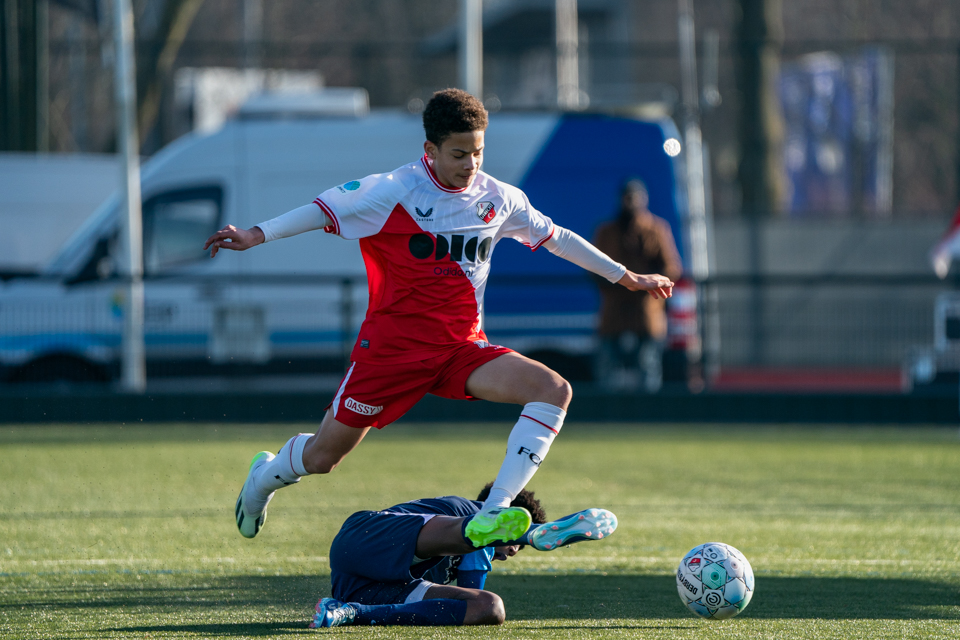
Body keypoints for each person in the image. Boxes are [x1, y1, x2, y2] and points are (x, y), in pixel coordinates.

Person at [203, 88, 673, 545]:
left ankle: (494, 511)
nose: (471, 164)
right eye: (458, 154)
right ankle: (263, 479)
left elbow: (558, 237)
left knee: (553, 390)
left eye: (478, 152)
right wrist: (255, 235)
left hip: (460, 349)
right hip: (391, 354)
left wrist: (626, 276)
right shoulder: (391, 191)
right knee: (325, 456)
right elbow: (318, 211)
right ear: (430, 150)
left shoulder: (499, 198)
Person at [308, 484, 618, 628]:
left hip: (359, 584)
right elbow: (473, 581)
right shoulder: (466, 509)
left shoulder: (462, 554)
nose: (510, 555)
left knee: (490, 607)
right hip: (366, 534)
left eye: (517, 546)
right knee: (473, 537)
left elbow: (478, 600)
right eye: (514, 547)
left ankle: (350, 613)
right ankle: (533, 532)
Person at [593, 178, 682, 393]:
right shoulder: (607, 232)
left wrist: (648, 283)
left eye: (635, 198)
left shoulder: (657, 229)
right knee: (608, 366)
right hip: (614, 311)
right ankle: (608, 415)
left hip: (647, 311)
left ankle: (647, 417)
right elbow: (593, 269)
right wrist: (621, 284)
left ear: (644, 199)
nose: (630, 203)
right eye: (627, 198)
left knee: (647, 365)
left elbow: (672, 268)